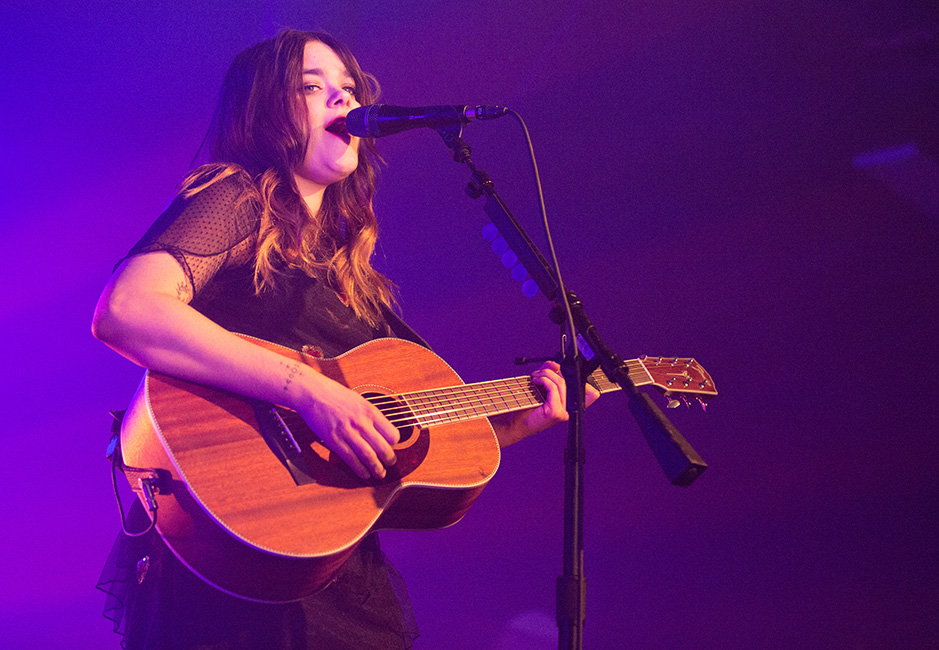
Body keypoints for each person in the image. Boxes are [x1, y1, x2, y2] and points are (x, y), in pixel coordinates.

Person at [92, 28, 593, 650]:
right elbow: (128, 309)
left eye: (349, 88)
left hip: (324, 561)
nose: (342, 99)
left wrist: (518, 422)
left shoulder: (348, 271)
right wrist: (310, 391)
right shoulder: (237, 198)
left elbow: (402, 439)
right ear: (263, 111)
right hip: (237, 544)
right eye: (312, 86)